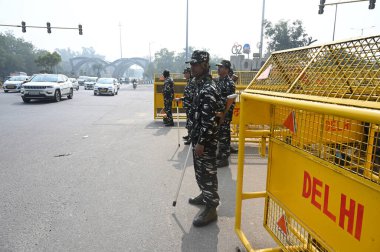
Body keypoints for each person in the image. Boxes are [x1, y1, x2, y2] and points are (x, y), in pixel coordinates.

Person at [186, 50, 223, 227]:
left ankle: (211, 208)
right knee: (200, 171)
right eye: (191, 64)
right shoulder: (198, 84)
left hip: (205, 140)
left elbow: (209, 120)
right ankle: (204, 194)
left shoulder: (209, 88)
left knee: (208, 172)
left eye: (196, 64)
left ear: (204, 66)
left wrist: (201, 142)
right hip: (197, 136)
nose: (192, 67)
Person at [215, 60, 236, 168]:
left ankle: (224, 159)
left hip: (225, 113)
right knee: (221, 134)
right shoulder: (218, 80)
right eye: (218, 67)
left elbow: (229, 101)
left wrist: (223, 114)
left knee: (223, 134)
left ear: (227, 70)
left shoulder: (230, 83)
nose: (218, 69)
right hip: (218, 112)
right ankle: (222, 153)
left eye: (221, 67)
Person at [182, 67, 194, 145]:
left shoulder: (192, 82)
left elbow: (191, 95)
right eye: (185, 73)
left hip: (191, 105)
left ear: (190, 73)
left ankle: (191, 138)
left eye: (186, 73)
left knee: (191, 122)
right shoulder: (189, 81)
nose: (185, 75)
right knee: (189, 121)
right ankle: (189, 135)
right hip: (188, 105)